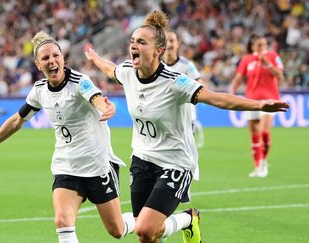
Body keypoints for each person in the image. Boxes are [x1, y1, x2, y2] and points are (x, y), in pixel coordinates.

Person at [85, 10, 289, 243]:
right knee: (147, 236)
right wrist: (95, 59)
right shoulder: (128, 72)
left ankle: (188, 220)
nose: (133, 46)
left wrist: (260, 105)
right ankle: (186, 221)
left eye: (141, 42)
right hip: (142, 159)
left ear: (158, 50)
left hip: (175, 163)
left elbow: (217, 99)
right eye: (132, 41)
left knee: (145, 229)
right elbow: (110, 69)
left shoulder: (175, 82)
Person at [0, 31, 135, 243]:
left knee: (117, 230)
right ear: (38, 65)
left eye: (56, 55)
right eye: (45, 58)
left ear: (63, 58)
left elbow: (96, 97)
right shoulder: (39, 90)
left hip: (97, 165)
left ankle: (147, 222)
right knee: (62, 222)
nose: (52, 61)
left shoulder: (79, 82)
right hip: (65, 166)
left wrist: (106, 107)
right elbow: (17, 120)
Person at [229, 34, 285, 178]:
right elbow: (238, 78)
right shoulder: (247, 59)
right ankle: (257, 166)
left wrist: (268, 64)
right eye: (259, 45)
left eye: (264, 45)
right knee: (254, 135)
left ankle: (264, 162)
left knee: (264, 132)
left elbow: (280, 76)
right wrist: (232, 92)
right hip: (252, 101)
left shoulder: (273, 56)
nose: (262, 48)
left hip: (270, 101)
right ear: (253, 46)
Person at [163, 30, 205, 148]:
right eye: (166, 41)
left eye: (172, 41)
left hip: (185, 116)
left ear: (178, 43)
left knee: (186, 151)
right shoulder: (157, 66)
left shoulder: (186, 65)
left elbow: (199, 85)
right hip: (164, 115)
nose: (169, 44)